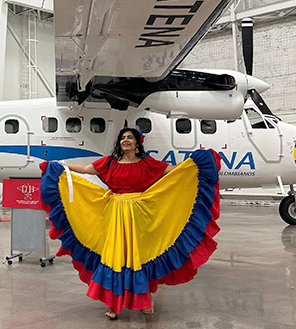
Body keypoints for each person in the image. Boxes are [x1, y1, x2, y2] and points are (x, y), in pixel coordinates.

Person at [40, 127, 220, 320]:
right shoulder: (110, 163)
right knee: (115, 256)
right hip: (115, 214)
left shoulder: (148, 164)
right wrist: (61, 165)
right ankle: (113, 305)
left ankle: (145, 299)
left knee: (140, 256)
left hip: (140, 215)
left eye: (130, 137)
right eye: (123, 137)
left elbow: (176, 171)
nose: (126, 140)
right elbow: (85, 170)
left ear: (137, 143)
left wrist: (194, 165)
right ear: (119, 143)